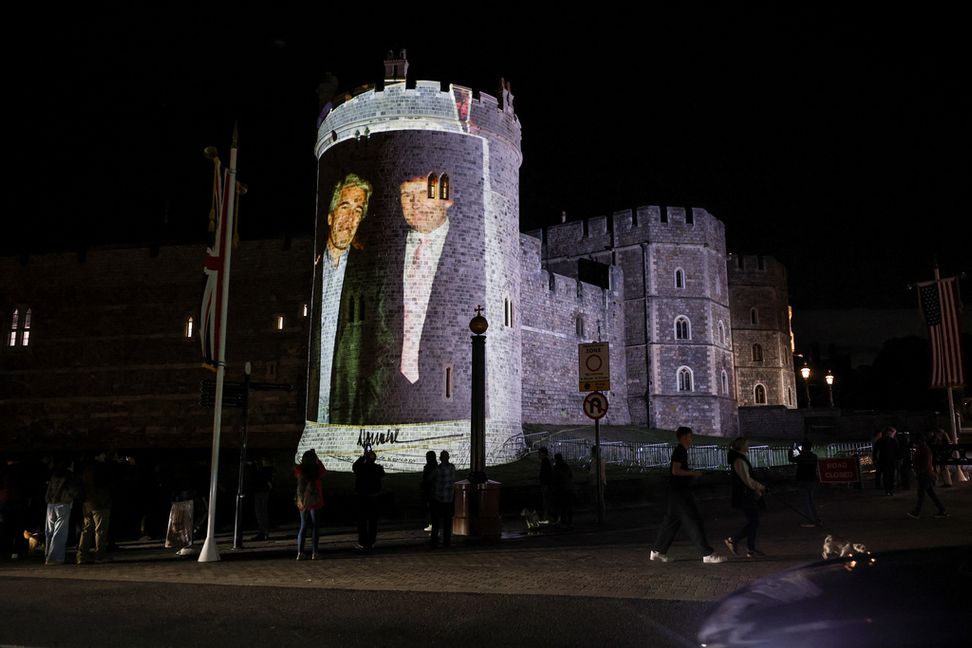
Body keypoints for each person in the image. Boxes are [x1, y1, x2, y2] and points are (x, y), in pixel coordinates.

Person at [309, 173, 373, 425]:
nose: (349, 218)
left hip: (348, 410)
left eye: (358, 210)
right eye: (344, 207)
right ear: (330, 215)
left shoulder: (367, 278)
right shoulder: (312, 274)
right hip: (313, 404)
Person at [650, 427, 726, 564]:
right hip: (680, 492)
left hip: (676, 492)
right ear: (684, 437)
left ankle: (657, 551)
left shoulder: (681, 451)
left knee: (671, 522)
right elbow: (675, 471)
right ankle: (707, 553)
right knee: (693, 521)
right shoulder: (680, 450)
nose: (692, 439)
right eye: (690, 436)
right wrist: (693, 473)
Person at [724, 437, 766, 558]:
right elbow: (746, 479)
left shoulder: (740, 459)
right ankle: (733, 539)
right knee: (754, 521)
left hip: (745, 494)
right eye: (747, 444)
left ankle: (751, 549)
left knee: (753, 521)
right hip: (744, 495)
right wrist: (760, 486)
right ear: (741, 446)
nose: (749, 446)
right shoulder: (739, 460)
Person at [77, 450, 113, 564]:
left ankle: (81, 556)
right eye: (103, 454)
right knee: (100, 530)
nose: (104, 455)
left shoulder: (86, 469)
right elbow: (105, 484)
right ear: (97, 456)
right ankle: (100, 555)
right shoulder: (100, 468)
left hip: (87, 502)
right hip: (99, 502)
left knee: (86, 530)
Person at [44, 459, 78, 565]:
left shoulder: (55, 474)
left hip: (51, 504)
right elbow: (73, 490)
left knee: (49, 531)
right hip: (63, 504)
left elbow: (49, 489)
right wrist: (71, 498)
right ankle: (55, 557)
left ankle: (47, 555)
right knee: (60, 532)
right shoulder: (69, 475)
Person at [908, 432, 947, 519]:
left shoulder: (924, 449)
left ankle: (917, 511)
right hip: (926, 474)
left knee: (922, 494)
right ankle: (942, 510)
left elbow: (925, 463)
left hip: (924, 475)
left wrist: (919, 472)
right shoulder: (924, 449)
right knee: (930, 493)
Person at [295, 449, 325, 560]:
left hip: (302, 500)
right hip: (315, 500)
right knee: (315, 526)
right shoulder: (318, 470)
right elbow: (323, 471)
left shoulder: (299, 469)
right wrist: (317, 460)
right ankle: (314, 552)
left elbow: (296, 473)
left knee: (303, 525)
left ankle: (300, 552)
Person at [352, 449, 385, 550]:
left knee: (362, 521)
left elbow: (354, 467)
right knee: (372, 521)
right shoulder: (378, 468)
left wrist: (363, 457)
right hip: (374, 497)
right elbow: (382, 475)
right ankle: (371, 541)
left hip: (362, 497)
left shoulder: (361, 467)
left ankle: (362, 542)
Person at [788, 438, 821, 527]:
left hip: (803, 481)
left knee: (805, 501)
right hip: (812, 481)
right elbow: (805, 456)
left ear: (803, 447)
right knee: (811, 501)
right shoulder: (814, 456)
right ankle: (816, 518)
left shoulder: (802, 457)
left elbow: (791, 459)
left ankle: (809, 520)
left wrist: (791, 449)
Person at [429, 451, 456, 548]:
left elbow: (430, 479)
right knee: (447, 522)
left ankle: (434, 540)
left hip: (438, 498)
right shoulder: (452, 468)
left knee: (436, 522)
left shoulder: (438, 469)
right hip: (449, 498)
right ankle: (446, 541)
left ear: (440, 458)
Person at [251, 455, 273, 541]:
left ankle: (263, 532)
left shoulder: (266, 470)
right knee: (261, 512)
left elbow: (267, 482)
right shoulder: (266, 470)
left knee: (261, 512)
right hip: (261, 492)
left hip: (261, 492)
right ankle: (264, 531)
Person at [873, 427, 899, 495]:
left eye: (889, 433)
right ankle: (888, 490)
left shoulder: (892, 441)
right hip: (884, 461)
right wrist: (875, 459)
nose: (889, 434)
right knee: (886, 476)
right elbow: (875, 451)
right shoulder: (881, 441)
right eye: (888, 433)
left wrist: (898, 459)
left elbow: (897, 451)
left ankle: (890, 490)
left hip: (890, 461)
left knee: (891, 476)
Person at [551, 453, 574, 528]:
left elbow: (555, 478)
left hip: (561, 489)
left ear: (556, 459)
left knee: (562, 507)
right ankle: (570, 522)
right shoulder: (566, 465)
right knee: (569, 507)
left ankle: (563, 522)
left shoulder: (556, 467)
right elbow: (570, 475)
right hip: (568, 488)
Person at [421, 451, 437, 532]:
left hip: (429, 491)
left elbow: (426, 479)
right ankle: (434, 524)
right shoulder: (436, 466)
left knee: (430, 508)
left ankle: (432, 525)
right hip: (436, 491)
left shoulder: (428, 467)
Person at [589, 445, 607, 516]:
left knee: (596, 500)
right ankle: (602, 515)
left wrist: (590, 481)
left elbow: (592, 473)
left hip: (596, 482)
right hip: (601, 481)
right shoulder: (602, 460)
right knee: (601, 499)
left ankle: (599, 515)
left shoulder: (594, 461)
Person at [538, 447, 553, 522]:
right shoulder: (546, 461)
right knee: (547, 501)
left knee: (546, 501)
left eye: (539, 453)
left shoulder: (545, 461)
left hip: (546, 484)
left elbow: (546, 473)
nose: (538, 455)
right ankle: (548, 516)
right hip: (546, 484)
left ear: (543, 453)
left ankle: (547, 516)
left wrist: (545, 483)